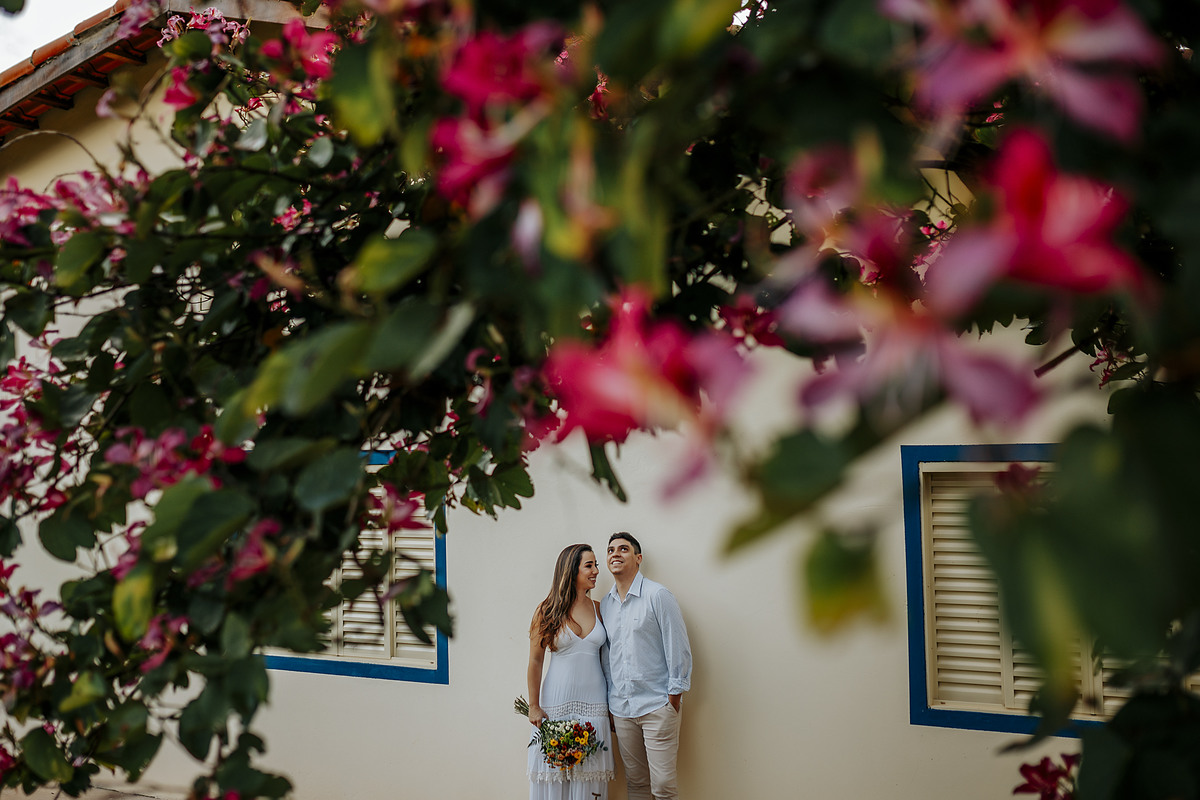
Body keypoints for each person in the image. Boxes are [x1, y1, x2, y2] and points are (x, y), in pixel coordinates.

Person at [600, 532, 692, 800]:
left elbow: (678, 646)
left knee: (663, 786)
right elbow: (608, 657)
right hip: (622, 708)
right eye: (610, 550)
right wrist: (610, 703)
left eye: (623, 549)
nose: (615, 553)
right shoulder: (605, 604)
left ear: (638, 558)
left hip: (657, 706)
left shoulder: (658, 595)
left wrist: (673, 697)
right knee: (637, 784)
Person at [527, 543, 616, 800]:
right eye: (589, 565)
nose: (596, 571)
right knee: (555, 775)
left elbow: (610, 660)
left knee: (591, 780)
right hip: (555, 703)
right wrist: (533, 705)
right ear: (570, 571)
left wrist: (613, 706)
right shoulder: (546, 610)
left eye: (596, 564)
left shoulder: (600, 608)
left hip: (595, 704)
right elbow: (535, 661)